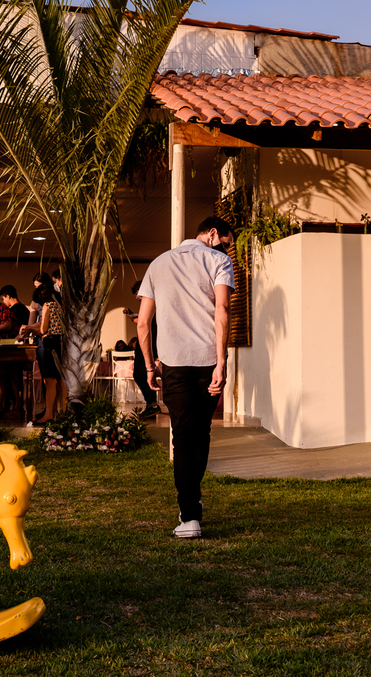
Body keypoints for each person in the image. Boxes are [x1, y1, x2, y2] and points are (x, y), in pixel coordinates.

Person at [137, 216, 235, 540]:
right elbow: (222, 312)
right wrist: (221, 364)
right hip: (209, 362)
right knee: (201, 432)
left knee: (182, 436)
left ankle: (189, 514)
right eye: (226, 241)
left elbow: (142, 324)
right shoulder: (218, 261)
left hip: (174, 365)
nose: (227, 249)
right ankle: (192, 500)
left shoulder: (158, 264)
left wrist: (150, 367)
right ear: (211, 234)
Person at [19, 283, 65, 423]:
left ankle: (49, 414)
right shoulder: (60, 305)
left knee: (49, 381)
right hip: (62, 343)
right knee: (61, 381)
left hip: (50, 343)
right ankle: (62, 413)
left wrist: (30, 329)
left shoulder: (47, 306)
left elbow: (44, 329)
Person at [125, 280, 160, 418]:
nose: (136, 297)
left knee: (141, 374)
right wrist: (131, 314)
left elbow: (142, 322)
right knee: (140, 375)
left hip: (150, 344)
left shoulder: (155, 304)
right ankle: (152, 404)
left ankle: (153, 405)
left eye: (138, 292)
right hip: (145, 343)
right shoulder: (149, 305)